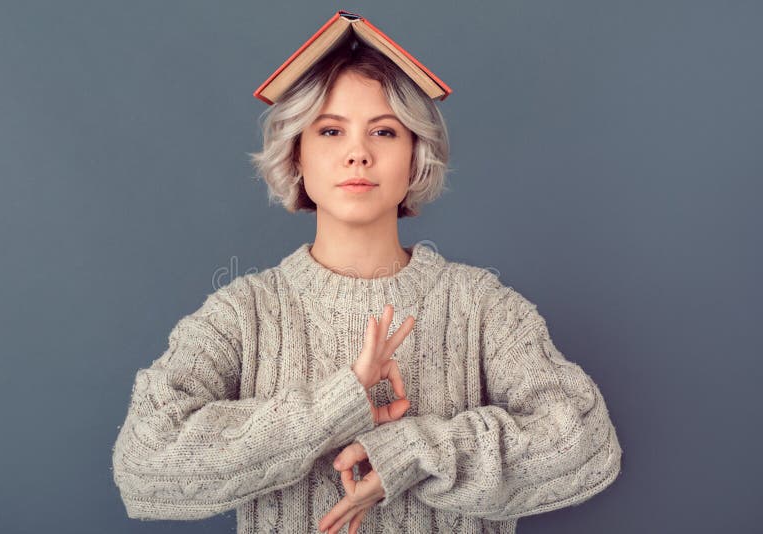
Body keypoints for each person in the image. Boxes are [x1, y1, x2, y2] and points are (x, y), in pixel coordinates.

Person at [111, 32, 622, 534]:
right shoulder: (242, 313)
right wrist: (340, 403)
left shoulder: (483, 306)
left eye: (384, 131)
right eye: (330, 131)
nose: (358, 153)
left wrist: (411, 452)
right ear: (296, 155)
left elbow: (586, 445)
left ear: (415, 155)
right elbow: (143, 462)